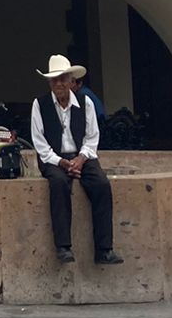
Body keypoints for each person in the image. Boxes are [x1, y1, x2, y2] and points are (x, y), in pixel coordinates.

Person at [31, 53, 122, 265]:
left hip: (82, 156)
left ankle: (104, 249)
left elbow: (92, 137)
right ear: (49, 83)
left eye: (63, 79)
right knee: (59, 183)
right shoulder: (39, 104)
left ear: (72, 81)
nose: (59, 84)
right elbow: (39, 142)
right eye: (54, 80)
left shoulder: (85, 102)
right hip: (53, 159)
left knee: (101, 184)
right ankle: (63, 247)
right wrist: (61, 162)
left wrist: (80, 159)